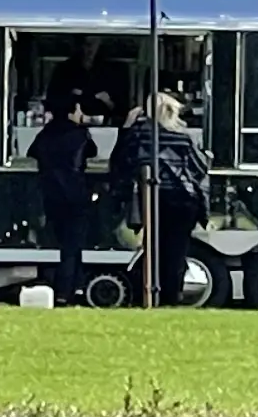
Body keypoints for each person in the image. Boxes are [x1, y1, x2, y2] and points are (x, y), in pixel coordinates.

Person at [109, 90, 212, 305]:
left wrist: (126, 126)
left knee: (153, 250)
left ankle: (150, 294)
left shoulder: (140, 134)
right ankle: (171, 297)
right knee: (176, 252)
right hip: (185, 201)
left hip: (156, 197)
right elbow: (200, 168)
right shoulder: (184, 138)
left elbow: (120, 161)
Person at [29, 92, 98, 304]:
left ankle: (55, 285)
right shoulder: (80, 134)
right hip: (76, 194)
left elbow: (32, 153)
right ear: (71, 112)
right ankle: (67, 290)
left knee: (55, 241)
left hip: (50, 194)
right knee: (73, 245)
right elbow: (92, 152)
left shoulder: (46, 133)